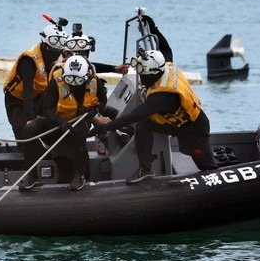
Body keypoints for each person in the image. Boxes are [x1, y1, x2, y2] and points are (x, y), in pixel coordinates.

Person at [91, 48, 217, 183]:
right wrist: (153, 33)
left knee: (205, 165)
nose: (140, 77)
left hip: (193, 128)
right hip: (172, 124)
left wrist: (104, 127)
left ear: (152, 73)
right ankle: (145, 169)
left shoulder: (162, 97)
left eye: (142, 73)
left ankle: (217, 180)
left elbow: (134, 116)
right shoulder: (165, 65)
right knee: (144, 125)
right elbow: (166, 48)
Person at [19, 54, 110, 192]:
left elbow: (103, 100)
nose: (73, 83)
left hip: (79, 119)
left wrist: (94, 111)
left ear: (86, 76)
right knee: (28, 130)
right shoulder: (57, 80)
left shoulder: (94, 81)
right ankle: (32, 175)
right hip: (56, 120)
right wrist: (60, 123)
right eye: (69, 79)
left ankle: (80, 175)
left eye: (77, 79)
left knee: (79, 133)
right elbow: (47, 108)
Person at [3, 16, 68, 140]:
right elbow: (26, 93)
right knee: (26, 135)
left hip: (39, 98)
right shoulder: (29, 61)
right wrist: (30, 119)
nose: (55, 53)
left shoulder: (61, 56)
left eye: (58, 50)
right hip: (17, 100)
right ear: (44, 43)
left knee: (53, 127)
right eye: (52, 48)